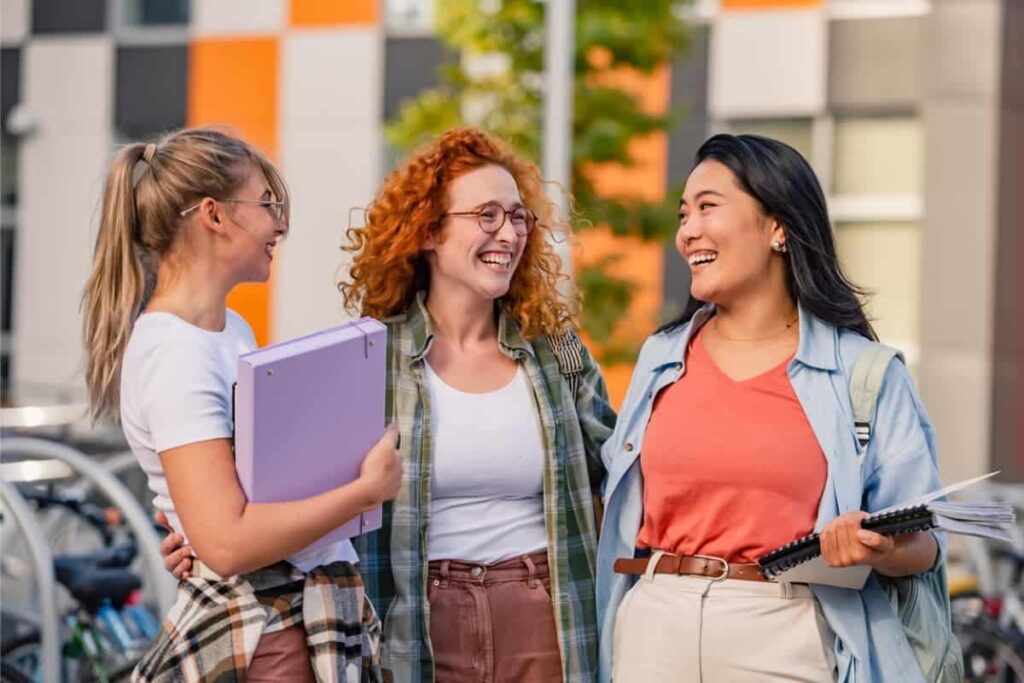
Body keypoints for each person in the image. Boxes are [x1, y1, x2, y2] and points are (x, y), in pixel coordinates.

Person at [596, 133, 959, 682]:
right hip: (653, 627)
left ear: (777, 226)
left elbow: (926, 546)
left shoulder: (864, 372)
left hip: (786, 634)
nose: (687, 230)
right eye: (683, 214)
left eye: (708, 207)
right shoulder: (661, 358)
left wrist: (878, 547)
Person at [82, 127, 402, 682]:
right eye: (267, 204)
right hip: (266, 633)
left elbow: (224, 514)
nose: (279, 224)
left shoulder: (228, 331)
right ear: (214, 215)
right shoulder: (175, 355)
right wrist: (364, 493)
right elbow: (228, 544)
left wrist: (191, 523)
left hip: (280, 622)